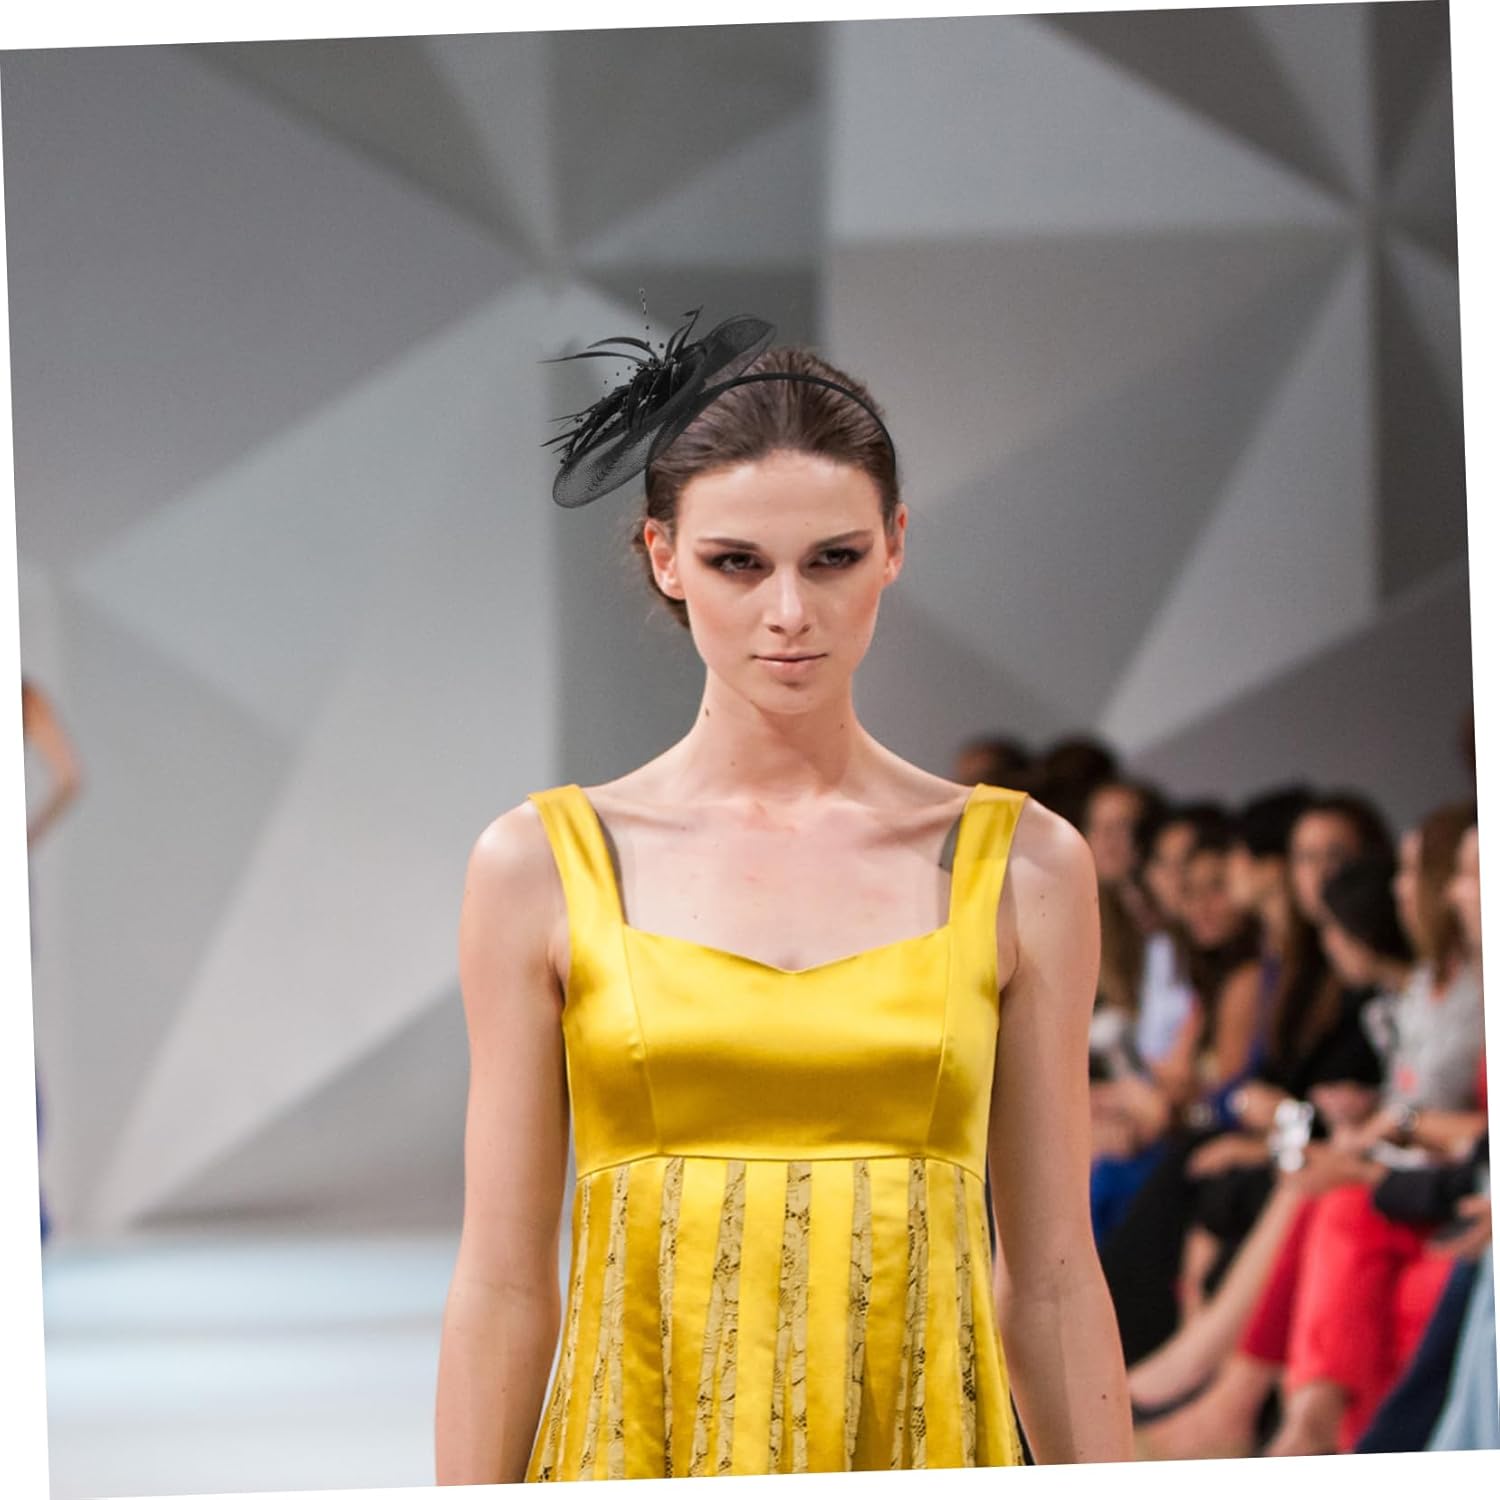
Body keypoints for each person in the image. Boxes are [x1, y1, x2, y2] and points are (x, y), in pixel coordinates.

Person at [433, 311, 1131, 1482]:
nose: (790, 613)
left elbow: (1054, 1276)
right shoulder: (541, 866)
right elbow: (503, 1280)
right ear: (665, 556)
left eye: (833, 559)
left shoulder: (1024, 868)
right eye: (738, 563)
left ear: (894, 545)